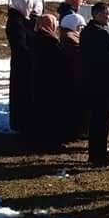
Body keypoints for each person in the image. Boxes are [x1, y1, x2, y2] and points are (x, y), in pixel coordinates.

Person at [80, 2, 109, 166]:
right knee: (101, 120)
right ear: (96, 14)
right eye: (105, 14)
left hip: (94, 82)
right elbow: (105, 60)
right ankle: (100, 155)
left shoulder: (89, 31)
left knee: (98, 120)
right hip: (101, 83)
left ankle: (96, 152)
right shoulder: (98, 33)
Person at [28, 14, 67, 142]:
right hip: (49, 80)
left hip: (36, 78)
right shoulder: (50, 40)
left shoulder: (35, 37)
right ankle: (48, 136)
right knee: (48, 108)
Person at [6, 0, 34, 134]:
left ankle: (22, 122)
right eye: (27, 5)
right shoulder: (16, 22)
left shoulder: (18, 19)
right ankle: (21, 123)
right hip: (21, 63)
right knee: (21, 92)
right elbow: (20, 44)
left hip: (21, 62)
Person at [60, 13, 87, 139]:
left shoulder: (67, 35)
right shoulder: (71, 38)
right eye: (80, 26)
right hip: (74, 78)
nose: (81, 29)